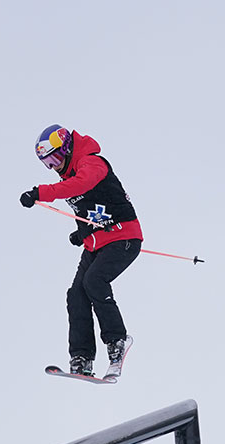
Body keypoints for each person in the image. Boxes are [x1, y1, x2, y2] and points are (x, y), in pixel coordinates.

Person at [19, 125, 143, 378]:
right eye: (47, 163)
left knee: (94, 281)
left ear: (65, 148)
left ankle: (117, 341)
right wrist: (82, 232)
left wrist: (42, 192)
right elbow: (94, 205)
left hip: (124, 237)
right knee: (76, 293)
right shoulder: (69, 174)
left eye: (54, 158)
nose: (53, 167)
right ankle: (82, 356)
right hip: (96, 243)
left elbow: (82, 184)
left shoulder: (91, 162)